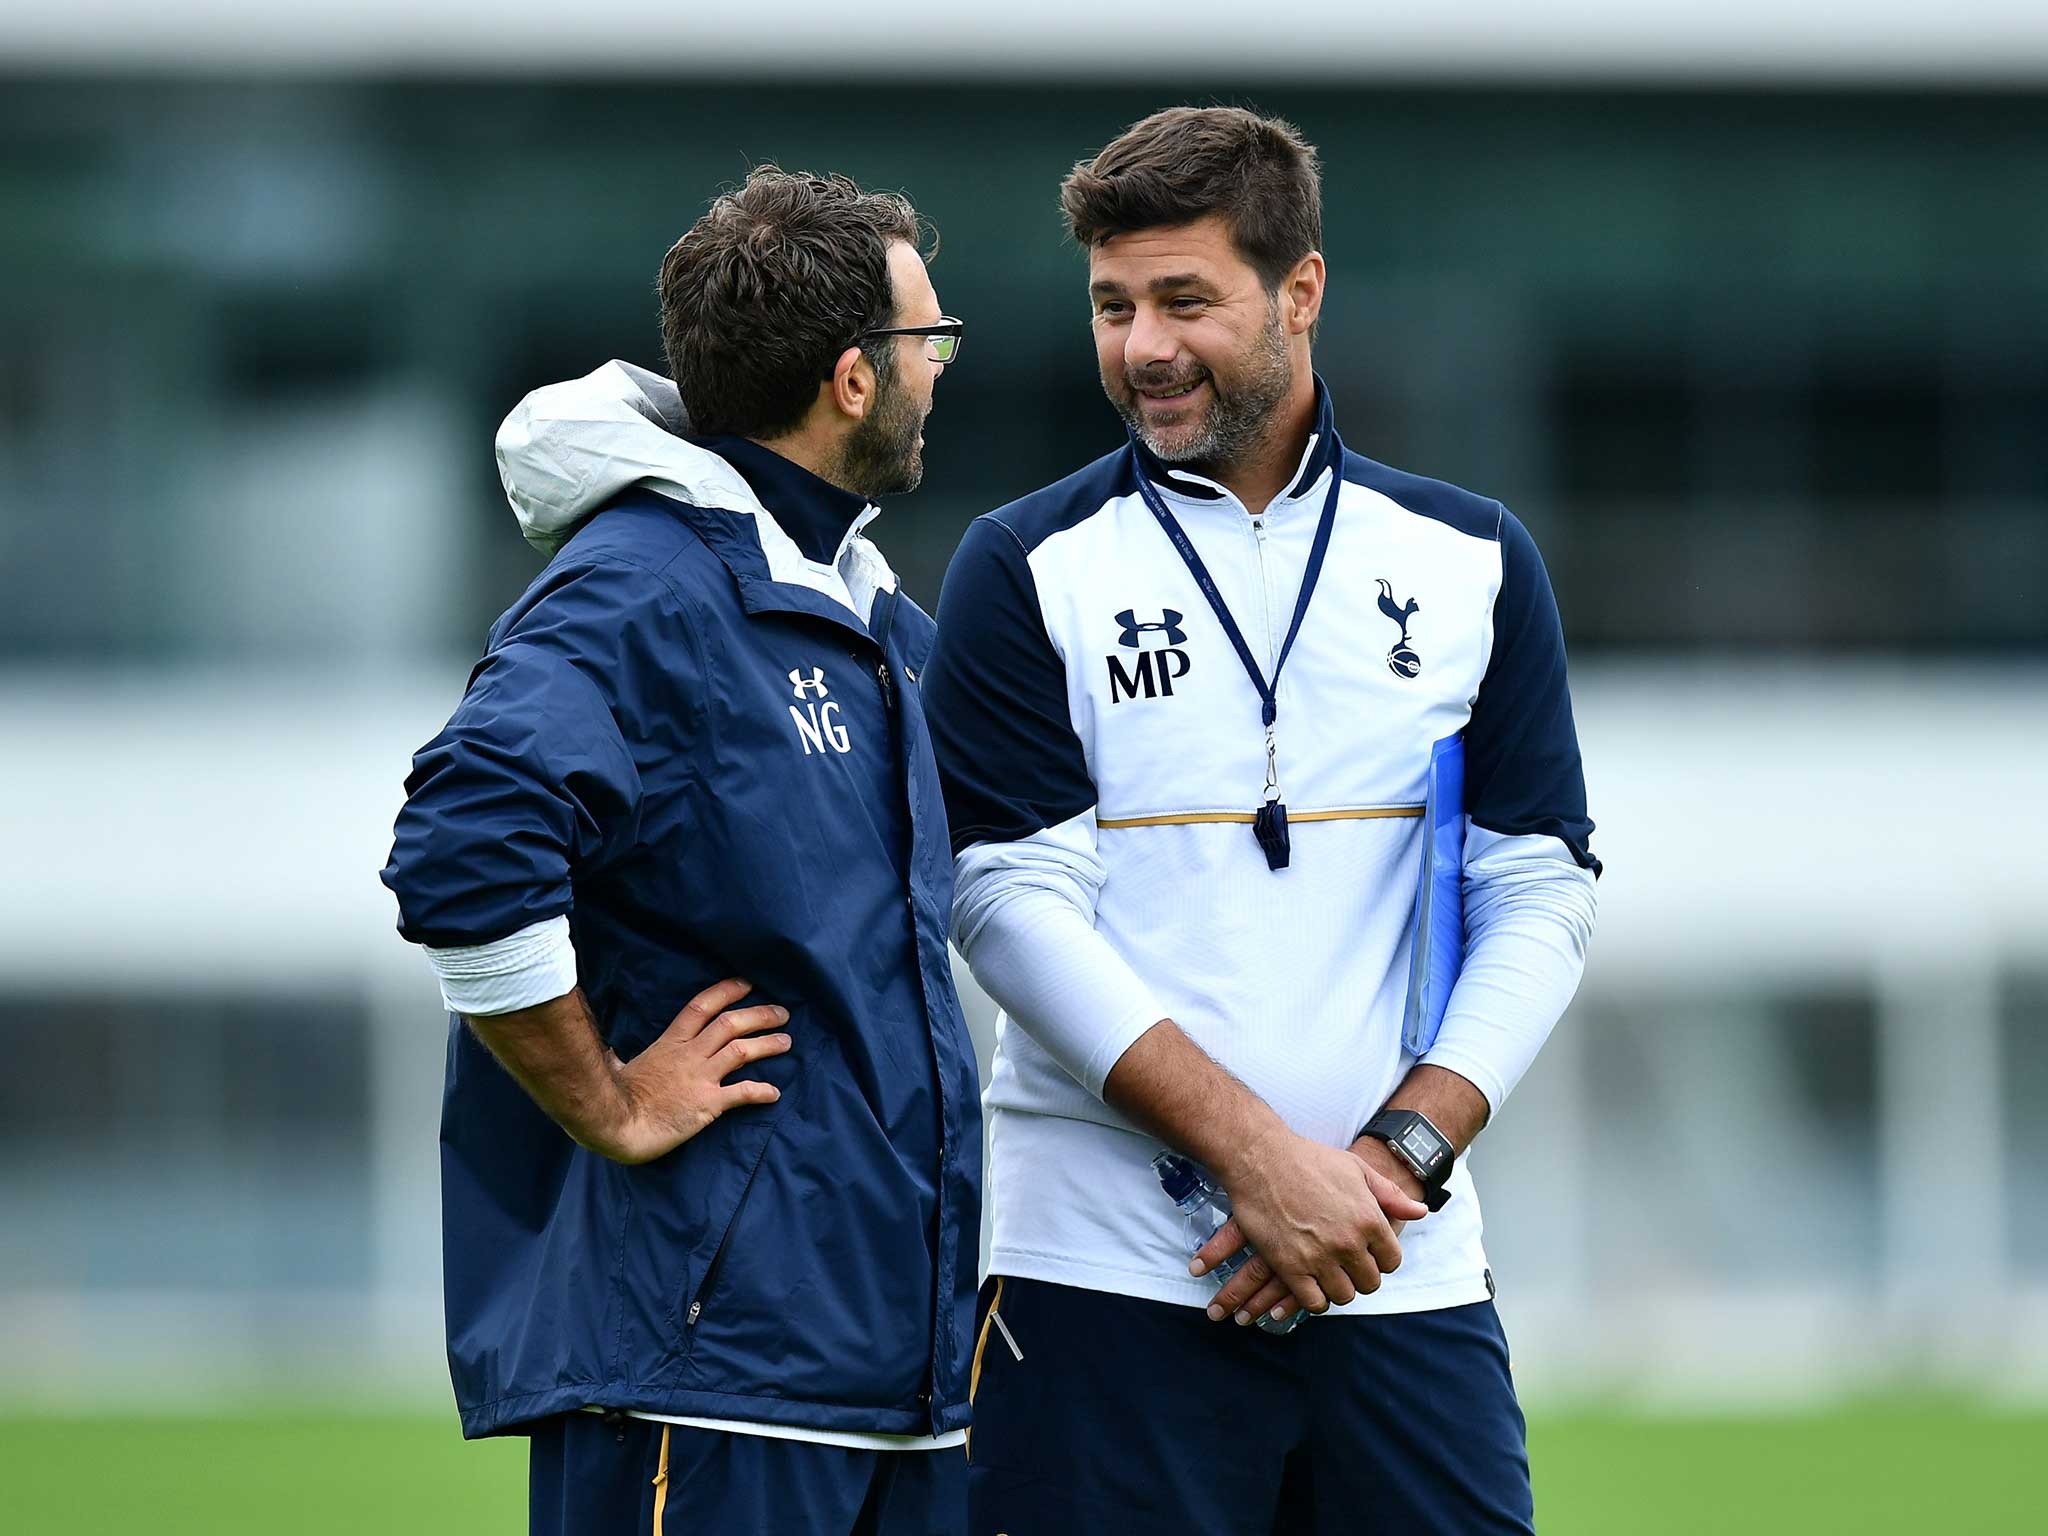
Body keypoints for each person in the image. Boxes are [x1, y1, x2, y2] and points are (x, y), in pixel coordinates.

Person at [920, 107, 1600, 1534]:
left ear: (1301, 291)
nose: (1144, 347)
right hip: (1099, 1281)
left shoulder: (1472, 558)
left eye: (1185, 301)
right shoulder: (1021, 566)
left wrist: (1388, 1163)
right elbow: (1005, 906)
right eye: (1113, 307)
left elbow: (1537, 889)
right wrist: (1264, 1165)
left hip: (1393, 1267)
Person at [381, 168, 981, 1536]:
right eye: (930, 344)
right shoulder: (644, 586)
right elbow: (468, 842)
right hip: (710, 1392)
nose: (941, 373)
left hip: (901, 1396)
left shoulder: (862, 609)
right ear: (851, 379)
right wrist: (608, 1099)